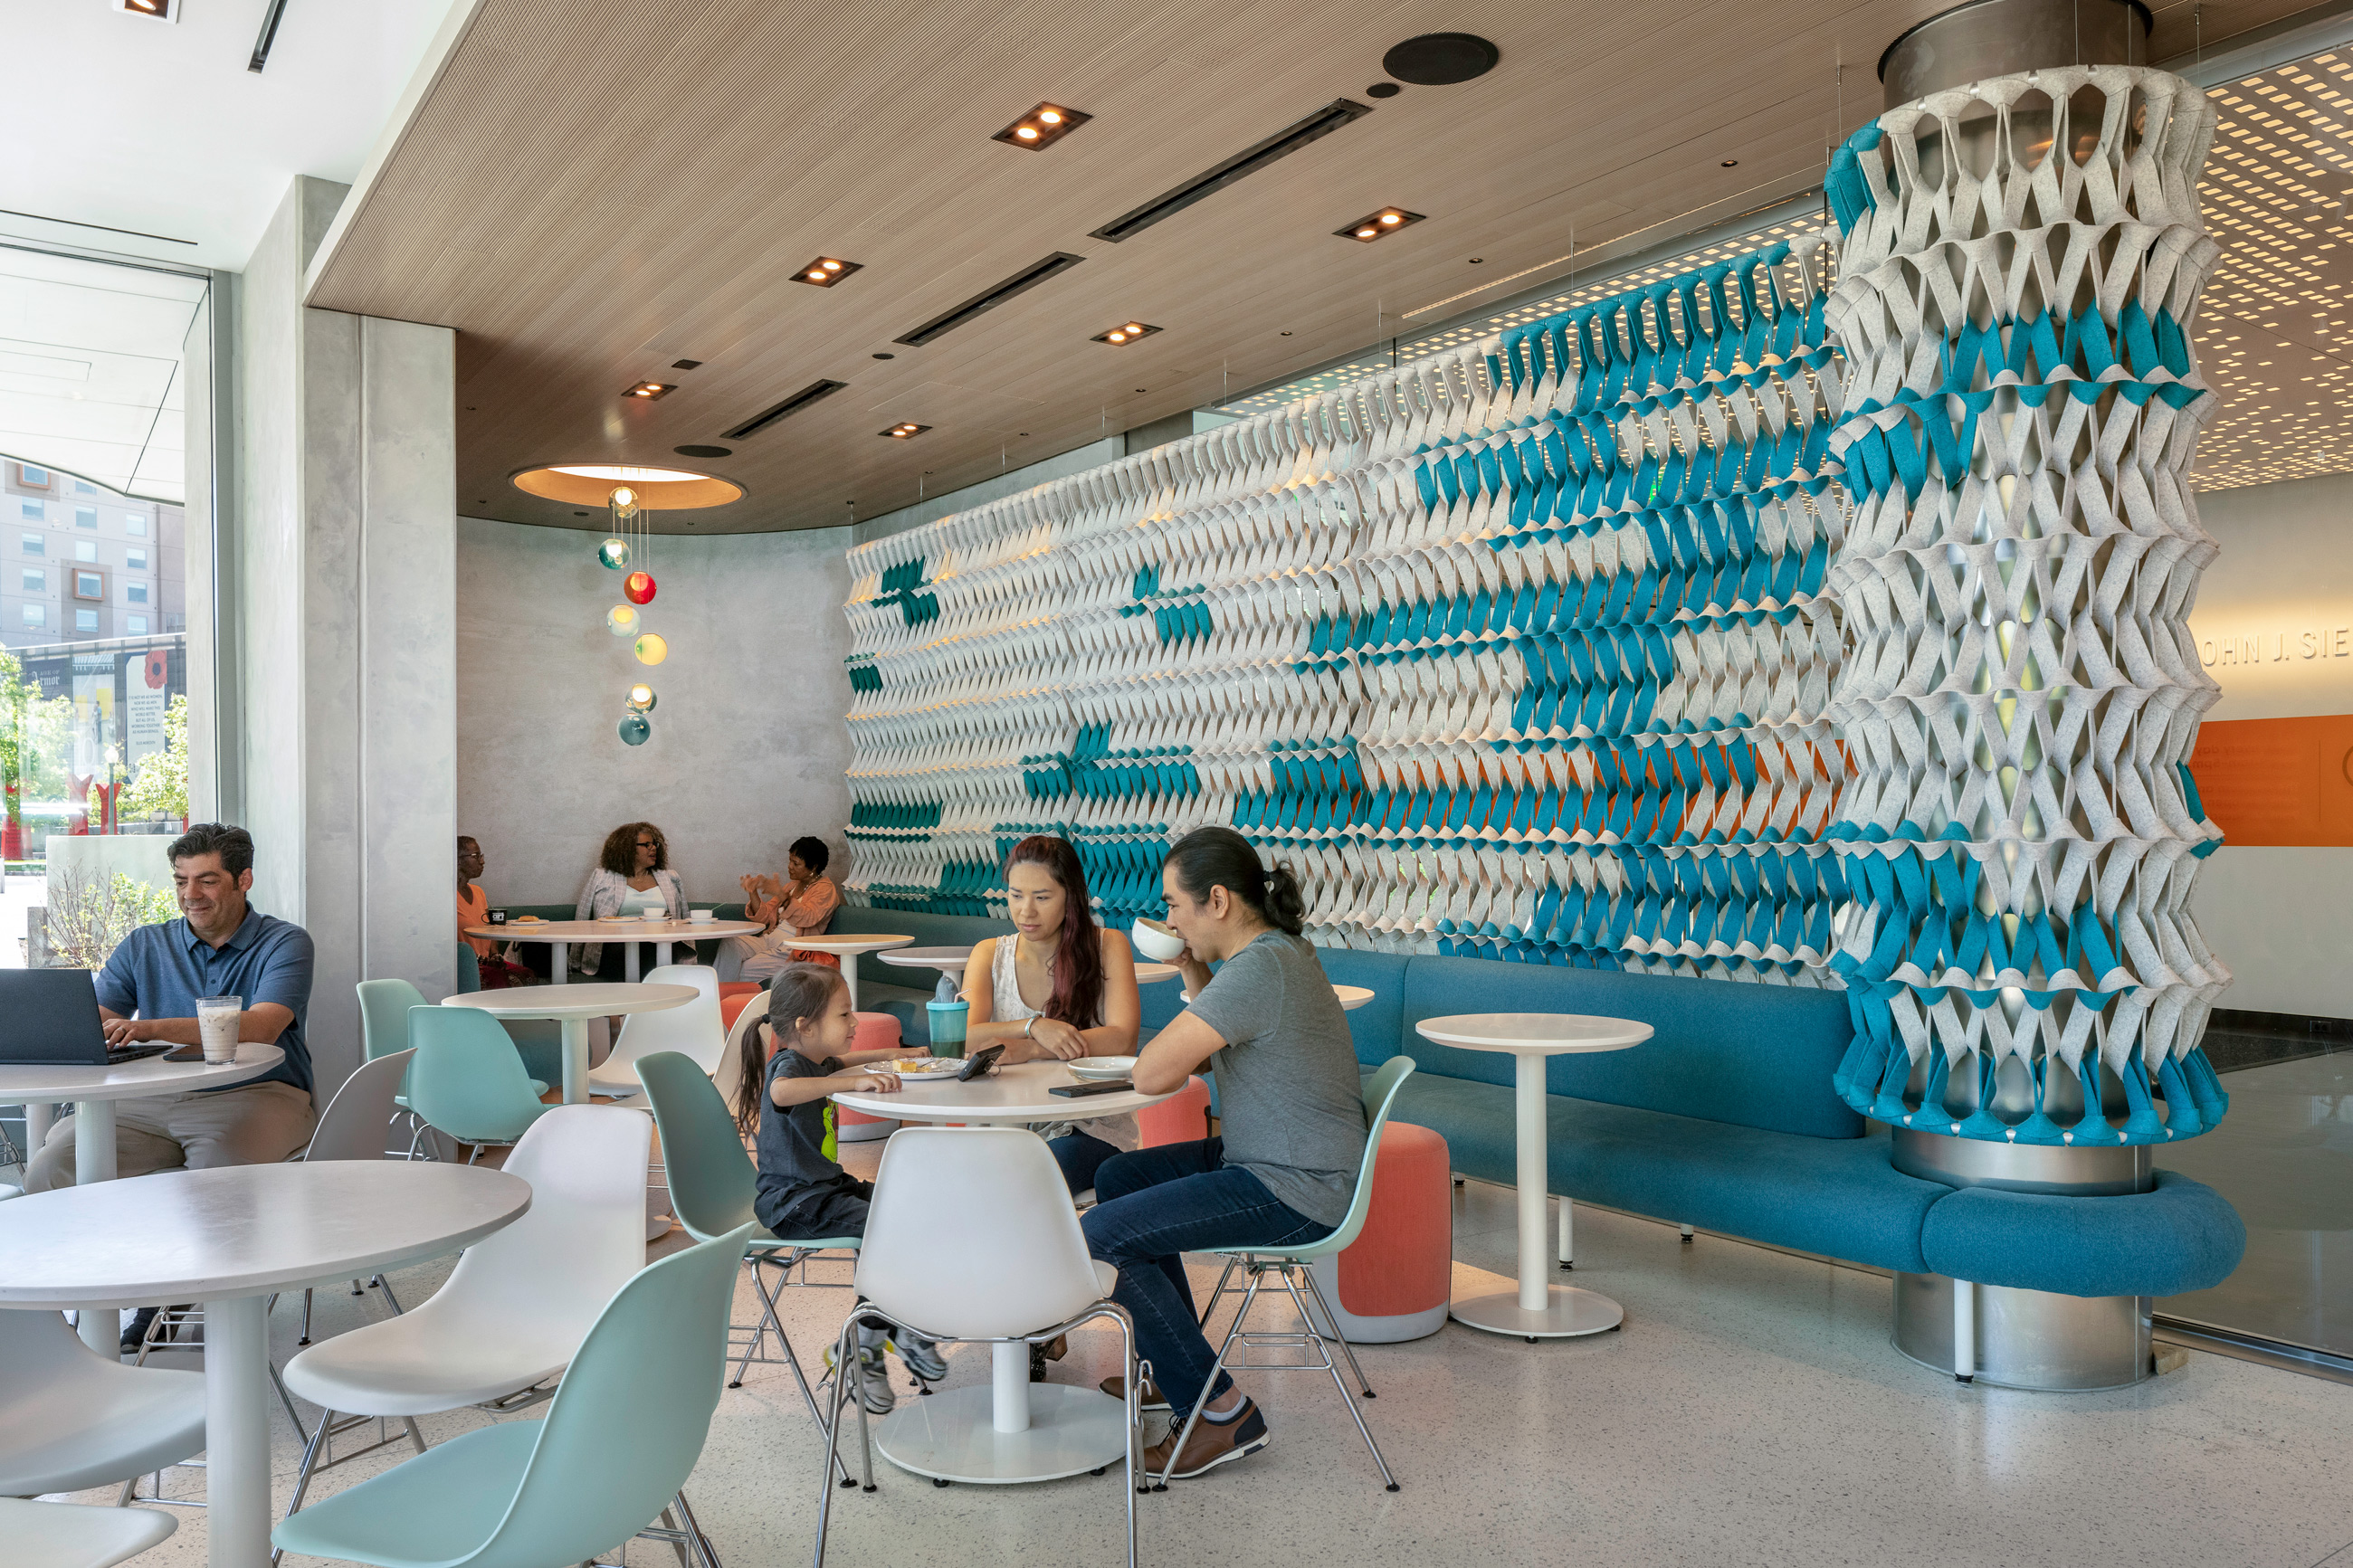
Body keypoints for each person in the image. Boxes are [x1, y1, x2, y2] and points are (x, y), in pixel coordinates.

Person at [1080, 826, 1367, 1480]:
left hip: (1294, 1184)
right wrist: (1189, 965)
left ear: (1216, 900)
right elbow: (1212, 1052)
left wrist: (1186, 977)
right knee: (1119, 1174)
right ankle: (1169, 1368)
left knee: (1102, 1235)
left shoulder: (1261, 967)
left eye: (1174, 905)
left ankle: (1219, 1410)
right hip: (1273, 1158)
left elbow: (1153, 1073)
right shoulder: (1274, 954)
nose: (1170, 919)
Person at [24, 823, 319, 1347]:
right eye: (181, 880)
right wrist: (77, 1021)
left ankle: (165, 1300)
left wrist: (150, 1028)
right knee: (51, 1170)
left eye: (206, 881)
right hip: (149, 1098)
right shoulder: (145, 943)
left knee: (213, 1184)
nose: (190, 895)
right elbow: (99, 1015)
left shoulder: (285, 942)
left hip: (260, 1093)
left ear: (243, 879)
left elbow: (261, 1025)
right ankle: (77, 1307)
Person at [735, 962, 947, 1412]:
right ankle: (876, 1342)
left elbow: (850, 1060)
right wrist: (852, 1082)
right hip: (795, 1203)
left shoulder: (816, 1060)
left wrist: (896, 1055)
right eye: (845, 1015)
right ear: (804, 1026)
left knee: (912, 1208)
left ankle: (879, 1334)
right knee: (891, 1226)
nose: (854, 1024)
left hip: (824, 1190)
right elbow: (781, 1092)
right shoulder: (789, 1065)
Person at [958, 834, 1142, 1195]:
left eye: (1042, 897)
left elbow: (1123, 1038)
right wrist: (1033, 1026)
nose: (1026, 911)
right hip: (1004, 1121)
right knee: (961, 1184)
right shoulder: (989, 954)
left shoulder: (1108, 946)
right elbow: (962, 1036)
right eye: (1015, 895)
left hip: (1087, 1124)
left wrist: (1030, 1048)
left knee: (1021, 1187)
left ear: (1070, 896)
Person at [574, 822, 688, 978]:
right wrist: (574, 962)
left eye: (654, 844)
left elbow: (683, 919)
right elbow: (582, 919)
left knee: (659, 948)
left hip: (661, 943)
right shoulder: (602, 877)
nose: (653, 848)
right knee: (634, 950)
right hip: (616, 947)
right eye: (646, 845)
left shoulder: (670, 878)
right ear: (626, 849)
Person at [732, 836, 842, 979]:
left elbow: (808, 917)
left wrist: (780, 893)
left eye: (796, 863)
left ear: (813, 867)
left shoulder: (826, 889)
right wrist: (752, 892)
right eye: (790, 860)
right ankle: (716, 992)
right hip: (769, 940)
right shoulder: (793, 885)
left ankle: (723, 996)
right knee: (732, 944)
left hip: (791, 950)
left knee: (745, 968)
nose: (790, 866)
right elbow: (764, 916)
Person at [457, 836, 536, 988]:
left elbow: (490, 927)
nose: (482, 861)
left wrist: (495, 955)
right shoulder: (448, 898)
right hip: (469, 965)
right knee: (497, 978)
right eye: (475, 856)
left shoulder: (478, 892)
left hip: (489, 962)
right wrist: (483, 960)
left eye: (481, 856)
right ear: (457, 860)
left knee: (527, 975)